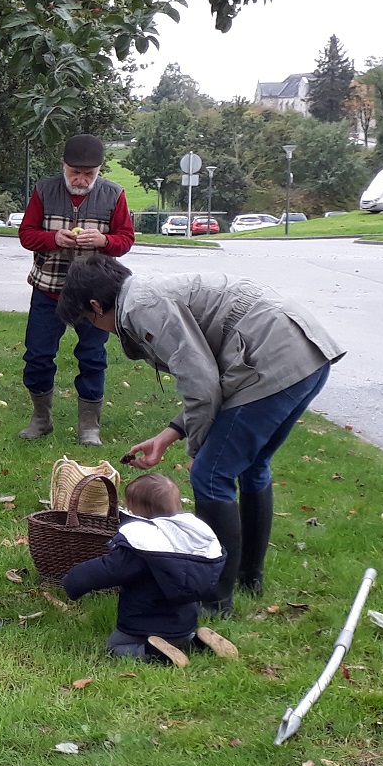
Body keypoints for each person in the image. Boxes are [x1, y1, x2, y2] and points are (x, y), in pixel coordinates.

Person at [56, 254, 345, 617]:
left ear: (96, 306)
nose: (98, 328)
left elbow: (203, 385)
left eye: (89, 320)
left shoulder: (142, 308)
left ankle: (214, 599)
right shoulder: (145, 293)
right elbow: (213, 374)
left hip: (274, 361)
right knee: (253, 467)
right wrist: (170, 434)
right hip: (306, 355)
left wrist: (199, 446)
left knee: (210, 475)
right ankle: (248, 578)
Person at [17, 134, 135, 447]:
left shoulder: (114, 195)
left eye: (89, 175)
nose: (81, 180)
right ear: (64, 166)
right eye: (74, 173)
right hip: (49, 289)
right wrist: (53, 239)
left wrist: (104, 242)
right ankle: (41, 418)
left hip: (95, 295)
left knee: (93, 357)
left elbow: (126, 239)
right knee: (38, 356)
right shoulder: (44, 190)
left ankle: (89, 426)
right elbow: (26, 234)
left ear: (99, 171)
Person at [62, 473, 224, 663]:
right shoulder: (192, 537)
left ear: (137, 510)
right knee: (180, 639)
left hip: (142, 625)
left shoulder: (144, 544)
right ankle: (196, 642)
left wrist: (72, 581)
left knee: (115, 647)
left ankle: (153, 654)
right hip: (184, 624)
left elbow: (107, 569)